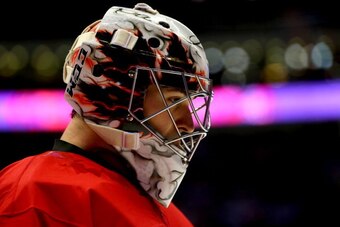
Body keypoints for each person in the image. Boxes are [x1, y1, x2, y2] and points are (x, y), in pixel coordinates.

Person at [0, 2, 213, 226]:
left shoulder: (169, 216)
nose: (189, 124)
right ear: (115, 91)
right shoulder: (32, 197)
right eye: (174, 100)